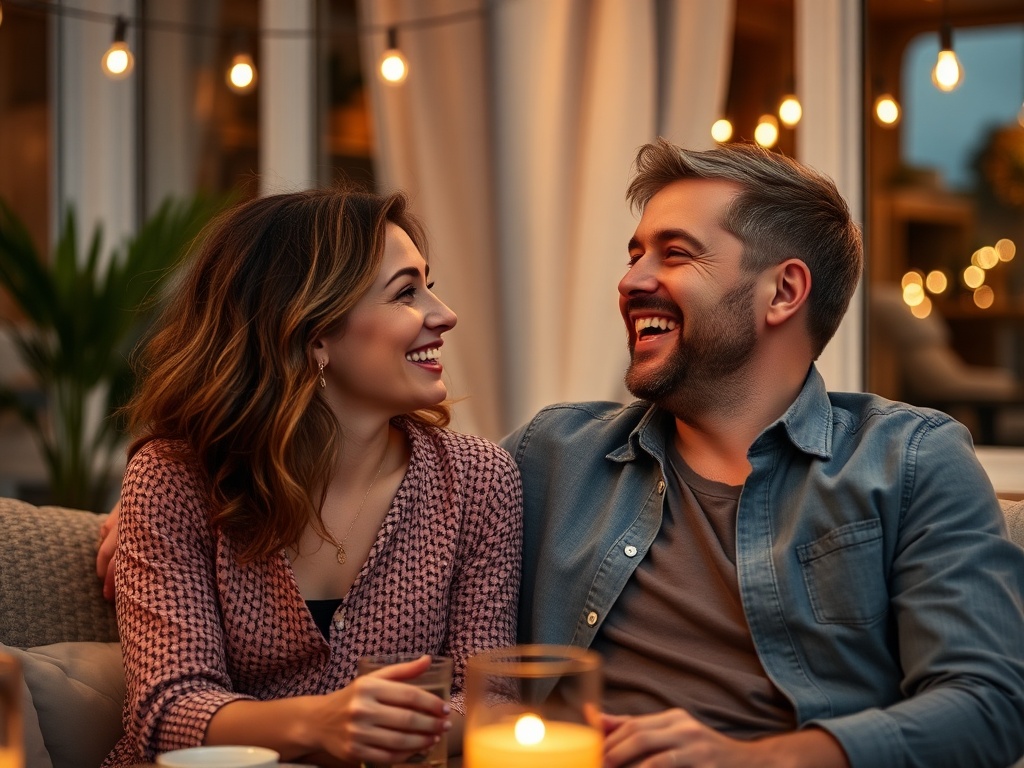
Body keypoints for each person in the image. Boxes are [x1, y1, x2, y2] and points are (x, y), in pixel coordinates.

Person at [502, 139, 1024, 768]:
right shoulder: (552, 454)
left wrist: (761, 760)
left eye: (675, 254)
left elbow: (987, 704)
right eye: (635, 255)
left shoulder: (908, 460)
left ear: (783, 291)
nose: (631, 281)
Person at [99, 188, 522, 767]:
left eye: (429, 284)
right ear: (312, 331)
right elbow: (167, 709)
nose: (443, 314)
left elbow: (489, 701)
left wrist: (384, 729)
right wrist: (322, 723)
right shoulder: (175, 480)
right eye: (406, 293)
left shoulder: (478, 481)